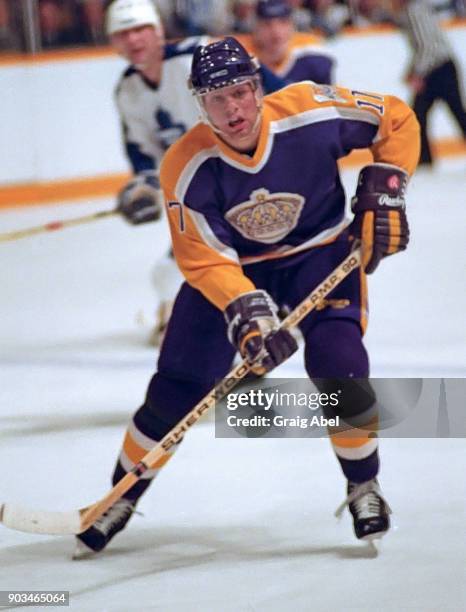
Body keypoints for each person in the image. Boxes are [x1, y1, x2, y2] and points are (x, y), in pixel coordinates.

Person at [74, 37, 419, 557]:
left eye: (240, 92)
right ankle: (119, 496)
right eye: (217, 98)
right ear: (199, 102)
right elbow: (206, 259)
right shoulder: (184, 165)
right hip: (238, 272)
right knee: (177, 388)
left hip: (319, 254)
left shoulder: (309, 110)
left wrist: (385, 187)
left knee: (340, 364)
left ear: (258, 88)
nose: (232, 109)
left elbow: (394, 118)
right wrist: (249, 315)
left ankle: (363, 486)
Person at [105, 0, 286, 345]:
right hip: (205, 190)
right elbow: (144, 154)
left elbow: (277, 92)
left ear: (159, 30)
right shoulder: (128, 90)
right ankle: (187, 316)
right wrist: (143, 188)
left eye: (141, 28)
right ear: (114, 42)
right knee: (173, 269)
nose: (134, 39)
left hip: (251, 171)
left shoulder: (198, 55)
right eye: (123, 33)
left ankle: (280, 305)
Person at [392, 0, 466, 166]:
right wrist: (412, 71)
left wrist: (417, 73)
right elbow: (423, 48)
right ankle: (423, 159)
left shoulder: (413, 11)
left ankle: (424, 159)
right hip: (440, 66)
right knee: (422, 115)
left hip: (438, 68)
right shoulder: (417, 9)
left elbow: (428, 48)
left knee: (426, 114)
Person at [237, 0, 335, 84]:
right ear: (254, 28)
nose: (276, 32)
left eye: (283, 22)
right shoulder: (239, 52)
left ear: (292, 26)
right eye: (267, 24)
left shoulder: (312, 50)